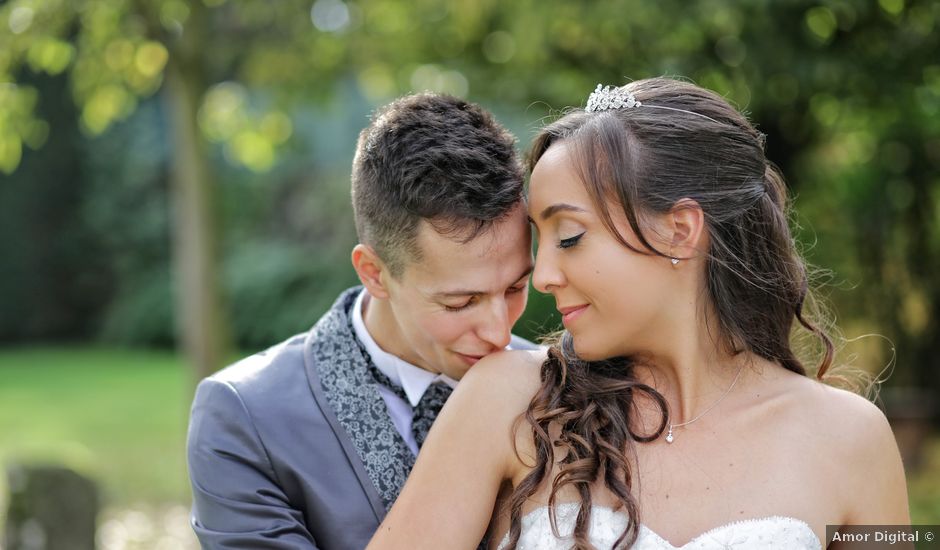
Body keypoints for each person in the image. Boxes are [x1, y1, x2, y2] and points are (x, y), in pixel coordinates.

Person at [367, 78, 910, 550]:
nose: (543, 275)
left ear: (679, 230)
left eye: (571, 236)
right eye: (541, 241)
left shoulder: (855, 438)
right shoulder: (503, 399)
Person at [187, 92, 537, 549]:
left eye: (514, 288)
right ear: (374, 273)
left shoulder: (559, 386)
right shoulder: (243, 419)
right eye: (460, 302)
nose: (500, 332)